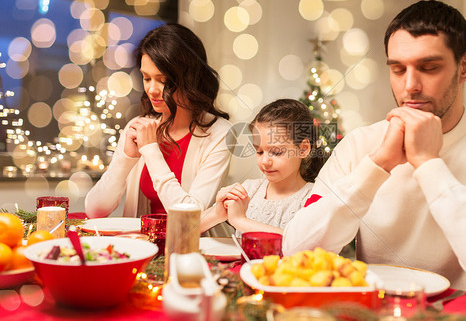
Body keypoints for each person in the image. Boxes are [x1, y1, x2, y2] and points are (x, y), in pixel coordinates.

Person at [283, 0, 466, 312]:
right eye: (398, 69)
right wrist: (378, 165)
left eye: (429, 67)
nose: (409, 85)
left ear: (464, 68)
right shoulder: (361, 144)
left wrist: (429, 165)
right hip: (376, 314)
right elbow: (295, 252)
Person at [85, 23, 232, 218]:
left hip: (189, 246)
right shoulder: (138, 127)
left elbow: (189, 215)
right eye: (146, 78)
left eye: (163, 81)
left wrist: (150, 149)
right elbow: (94, 210)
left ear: (190, 78)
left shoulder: (220, 133)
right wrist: (126, 158)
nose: (152, 90)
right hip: (140, 247)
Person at [200, 99, 325, 235]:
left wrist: (240, 221)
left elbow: (301, 243)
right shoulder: (248, 191)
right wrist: (217, 213)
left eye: (276, 152)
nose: (265, 161)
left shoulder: (313, 198)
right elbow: (184, 230)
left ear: (303, 149)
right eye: (259, 151)